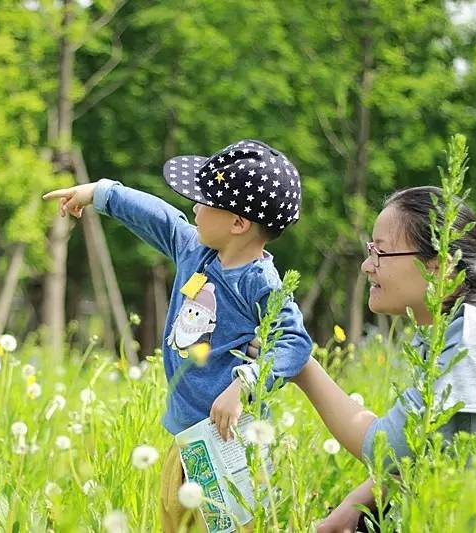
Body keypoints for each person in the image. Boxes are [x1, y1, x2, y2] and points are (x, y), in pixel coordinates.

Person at [43, 139, 313, 531]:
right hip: (184, 435)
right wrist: (100, 193)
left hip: (227, 445)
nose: (194, 207)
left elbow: (295, 341)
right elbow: (160, 217)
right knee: (174, 518)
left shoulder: (260, 283)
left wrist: (245, 386)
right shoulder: (197, 250)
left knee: (224, 526)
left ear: (238, 223)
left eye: (205, 201)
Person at [247, 186, 476, 532]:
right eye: (369, 250)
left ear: (439, 265)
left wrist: (301, 363)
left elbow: (384, 449)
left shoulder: (473, 340)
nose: (366, 266)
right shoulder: (458, 329)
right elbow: (424, 450)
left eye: (381, 253)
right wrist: (357, 502)